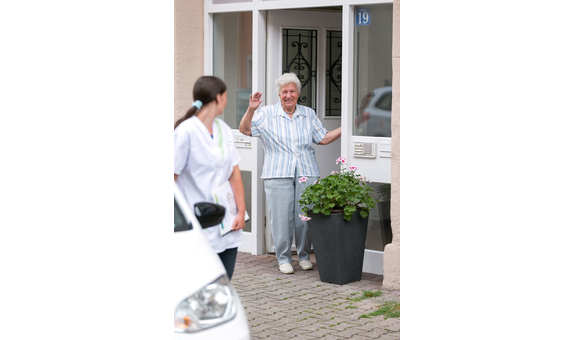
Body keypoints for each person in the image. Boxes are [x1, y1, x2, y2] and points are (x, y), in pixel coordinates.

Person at [239, 72, 341, 274]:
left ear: (298, 94)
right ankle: (284, 258)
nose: (288, 95)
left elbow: (323, 138)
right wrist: (251, 110)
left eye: (292, 91)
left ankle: (304, 256)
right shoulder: (267, 113)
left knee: (305, 217)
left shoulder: (308, 113)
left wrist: (345, 127)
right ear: (279, 94)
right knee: (280, 218)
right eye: (284, 91)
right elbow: (245, 130)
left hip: (306, 170)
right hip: (277, 172)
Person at [174, 76, 246, 280]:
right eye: (225, 95)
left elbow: (234, 172)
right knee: (201, 286)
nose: (227, 100)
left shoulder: (223, 129)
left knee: (224, 284)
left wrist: (241, 212)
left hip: (227, 220)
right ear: (218, 97)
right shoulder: (185, 132)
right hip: (197, 224)